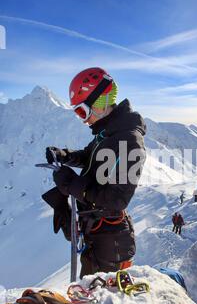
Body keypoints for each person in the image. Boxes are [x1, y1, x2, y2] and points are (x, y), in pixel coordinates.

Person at [42, 67, 146, 279]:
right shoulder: (107, 133)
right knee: (87, 299)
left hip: (111, 243)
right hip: (98, 235)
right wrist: (64, 155)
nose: (83, 119)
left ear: (100, 102)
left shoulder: (130, 141)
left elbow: (117, 200)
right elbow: (89, 156)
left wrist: (72, 185)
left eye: (82, 111)